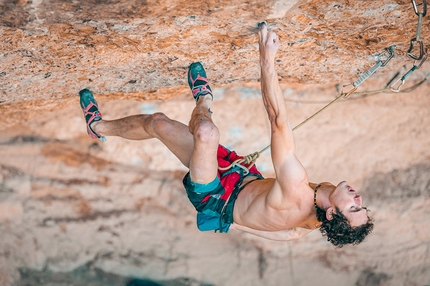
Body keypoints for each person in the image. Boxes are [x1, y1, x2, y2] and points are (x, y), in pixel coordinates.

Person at [79, 23, 373, 247]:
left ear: (332, 213)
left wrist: (267, 60)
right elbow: (292, 234)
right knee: (158, 124)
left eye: (354, 206)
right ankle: (99, 127)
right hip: (240, 177)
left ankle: (204, 101)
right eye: (362, 205)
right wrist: (232, 226)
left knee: (206, 132)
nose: (358, 198)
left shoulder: (299, 191)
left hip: (216, 197)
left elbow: (277, 120)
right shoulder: (317, 217)